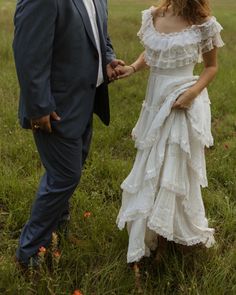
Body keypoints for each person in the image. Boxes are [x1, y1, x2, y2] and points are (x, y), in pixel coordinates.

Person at [13, 0, 124, 268]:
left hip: (85, 100)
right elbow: (28, 54)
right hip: (55, 108)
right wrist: (38, 107)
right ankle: (27, 254)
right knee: (64, 176)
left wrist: (108, 59)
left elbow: (100, 37)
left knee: (69, 171)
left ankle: (55, 233)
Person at [116, 0, 224, 264]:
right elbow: (152, 54)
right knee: (152, 164)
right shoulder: (153, 16)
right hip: (155, 101)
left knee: (172, 168)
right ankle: (153, 231)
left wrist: (191, 94)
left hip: (183, 101)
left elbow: (211, 67)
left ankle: (168, 241)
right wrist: (131, 67)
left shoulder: (203, 23)